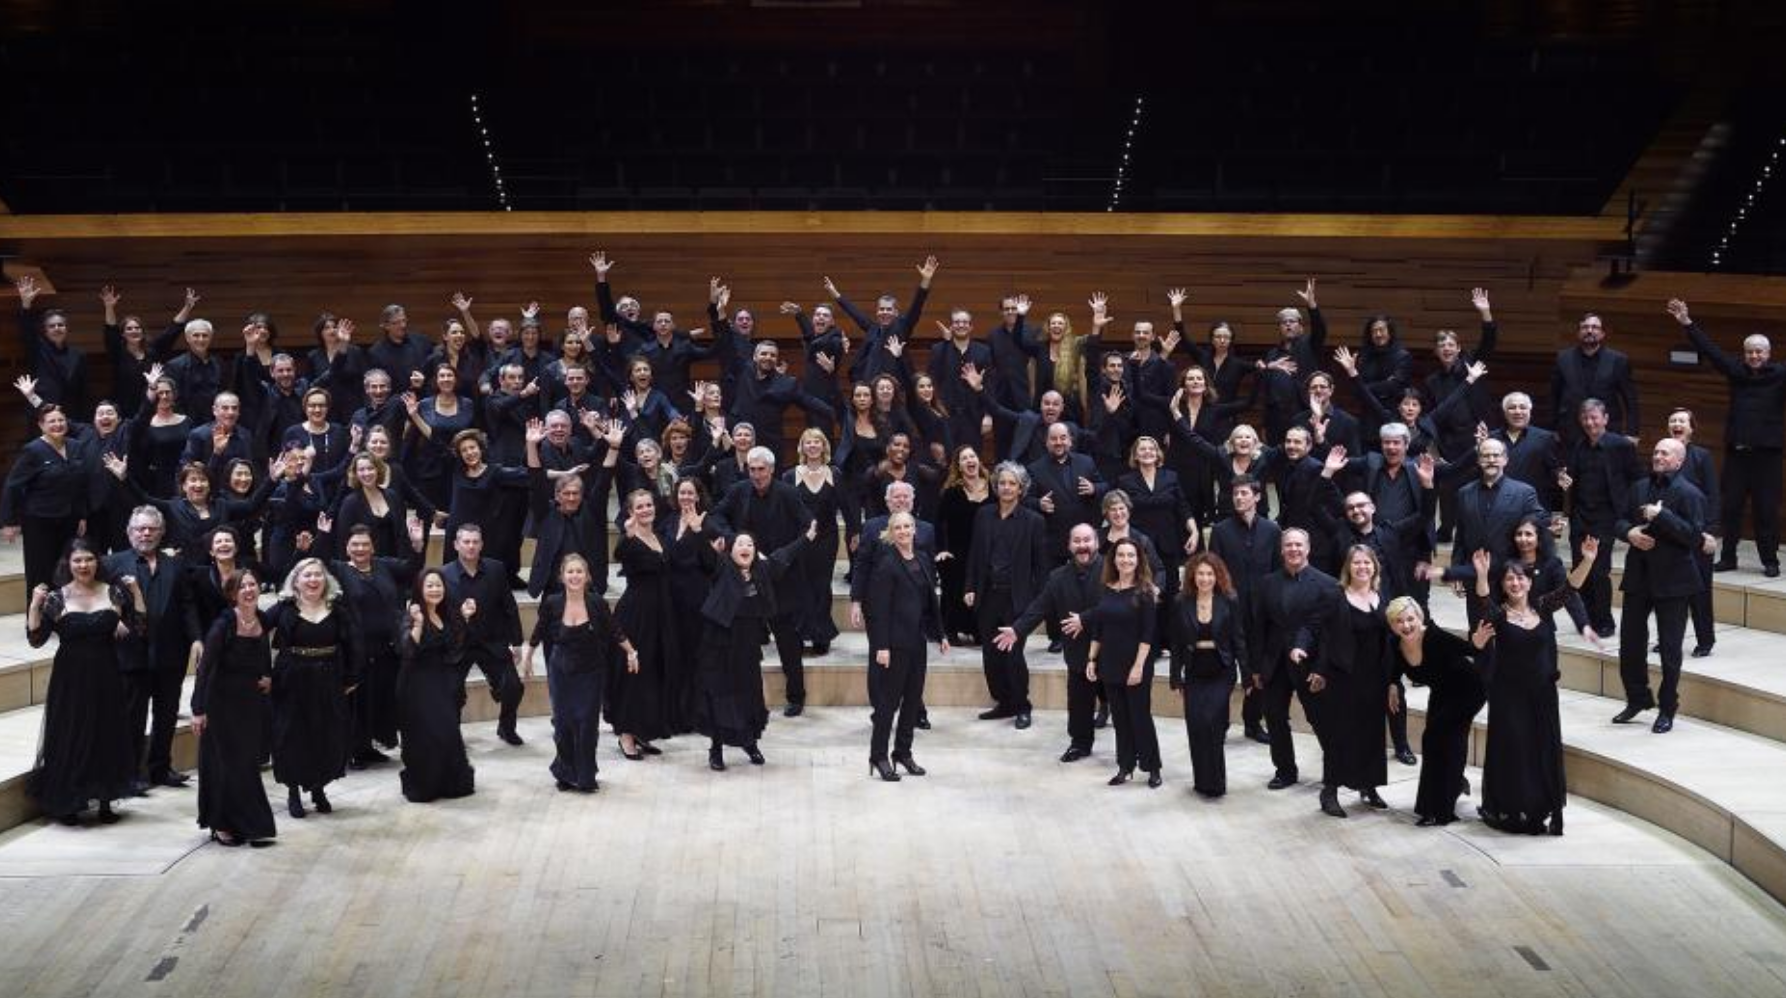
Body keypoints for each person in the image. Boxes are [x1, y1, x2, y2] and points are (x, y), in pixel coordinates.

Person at [1469, 544, 1596, 835]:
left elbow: (1570, 588)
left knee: (1540, 749)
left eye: (1520, 578)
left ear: (1529, 582)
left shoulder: (1542, 606)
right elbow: (1482, 604)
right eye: (1509, 579)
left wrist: (1587, 560)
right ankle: (1512, 808)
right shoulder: (1499, 615)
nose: (1515, 583)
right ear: (1503, 584)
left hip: (1542, 694)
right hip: (1508, 694)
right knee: (1514, 748)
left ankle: (1538, 806)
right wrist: (1481, 575)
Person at [25, 541, 142, 825]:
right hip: (70, 678)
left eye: (89, 559)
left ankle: (105, 801)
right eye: (77, 560)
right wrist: (34, 605)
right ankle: (69, 802)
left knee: (106, 733)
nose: (84, 565)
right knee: (70, 733)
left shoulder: (113, 592)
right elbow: (36, 640)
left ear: (97, 562)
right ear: (69, 563)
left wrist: (137, 592)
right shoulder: (57, 597)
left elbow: (136, 628)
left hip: (107, 674)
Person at [1669, 299, 1786, 577]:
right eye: (1749, 352)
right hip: (1737, 453)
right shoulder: (1736, 371)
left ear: (1768, 353)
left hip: (1767, 456)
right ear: (1744, 354)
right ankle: (1729, 556)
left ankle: (1770, 560)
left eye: (1759, 352)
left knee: (1766, 510)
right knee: (1730, 506)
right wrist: (1687, 323)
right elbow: (1711, 351)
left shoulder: (1781, 375)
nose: (1754, 356)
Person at [312, 513, 427, 769]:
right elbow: (319, 563)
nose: (360, 549)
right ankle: (354, 750)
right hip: (356, 649)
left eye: (365, 544)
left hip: (386, 648)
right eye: (355, 545)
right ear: (347, 547)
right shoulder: (340, 569)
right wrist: (323, 536)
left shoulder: (383, 565)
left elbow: (411, 568)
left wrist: (417, 544)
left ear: (373, 546)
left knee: (379, 698)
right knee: (357, 702)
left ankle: (369, 748)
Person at [709, 446, 817, 716]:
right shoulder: (738, 490)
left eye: (761, 469)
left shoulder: (788, 493)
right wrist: (734, 541)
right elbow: (716, 516)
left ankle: (796, 696)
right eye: (752, 469)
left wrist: (780, 557)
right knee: (741, 641)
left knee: (787, 641)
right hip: (746, 575)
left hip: (779, 576)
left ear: (771, 469)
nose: (756, 475)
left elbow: (808, 527)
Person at [697, 523, 813, 771]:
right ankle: (716, 749)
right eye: (740, 544)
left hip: (747, 643)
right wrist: (698, 531)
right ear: (731, 550)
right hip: (718, 643)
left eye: (749, 544)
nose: (745, 547)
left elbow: (785, 554)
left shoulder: (762, 569)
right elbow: (706, 557)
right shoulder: (722, 566)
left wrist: (808, 536)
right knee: (720, 694)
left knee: (749, 693)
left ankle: (749, 742)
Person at [1612, 438, 1708, 734]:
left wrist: (1661, 516)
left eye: (1664, 452)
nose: (1657, 456)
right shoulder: (1639, 487)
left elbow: (1694, 537)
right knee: (1629, 645)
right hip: (1639, 578)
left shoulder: (1690, 493)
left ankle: (1668, 707)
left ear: (1679, 461)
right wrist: (1629, 533)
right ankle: (1638, 699)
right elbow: (1618, 521)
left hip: (1674, 581)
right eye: (1655, 451)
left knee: (1669, 650)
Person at [104, 506, 201, 791]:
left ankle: (161, 768)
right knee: (133, 716)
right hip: (131, 654)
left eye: (152, 529)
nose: (145, 533)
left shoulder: (176, 565)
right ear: (129, 532)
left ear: (161, 532)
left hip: (171, 653)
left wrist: (196, 637)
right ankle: (131, 772)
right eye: (140, 529)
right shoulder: (111, 563)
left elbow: (187, 605)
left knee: (167, 714)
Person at [524, 554, 636, 794]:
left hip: (591, 670)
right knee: (563, 724)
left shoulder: (596, 603)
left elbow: (614, 630)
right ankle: (565, 771)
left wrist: (631, 651)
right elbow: (539, 631)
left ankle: (585, 776)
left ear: (587, 576)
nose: (574, 576)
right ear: (562, 576)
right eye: (570, 572)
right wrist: (527, 656)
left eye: (579, 572)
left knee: (586, 724)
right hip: (561, 670)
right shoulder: (553, 602)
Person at [1245, 529, 1343, 795]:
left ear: (1308, 548)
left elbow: (1329, 635)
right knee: (1275, 717)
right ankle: (1285, 770)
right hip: (1274, 663)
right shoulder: (1266, 583)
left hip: (1310, 665)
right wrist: (1255, 667)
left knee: (1320, 719)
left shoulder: (1328, 584)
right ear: (1281, 550)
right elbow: (1258, 628)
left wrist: (1323, 669)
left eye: (1298, 545)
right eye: (1288, 545)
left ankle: (1334, 772)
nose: (1293, 550)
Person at [995, 524, 1105, 761]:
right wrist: (1017, 629)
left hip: (1112, 648)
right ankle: (1079, 743)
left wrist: (1085, 619)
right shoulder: (1057, 577)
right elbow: (1039, 607)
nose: (1083, 546)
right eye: (1077, 541)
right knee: (1078, 702)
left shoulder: (1113, 569)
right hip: (1078, 650)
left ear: (1096, 542)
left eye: (1087, 540)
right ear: (1069, 545)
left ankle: (1131, 752)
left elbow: (1119, 606)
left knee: (1123, 703)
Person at [1387, 598, 1492, 827]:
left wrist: (1477, 643)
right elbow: (1394, 667)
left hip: (1468, 690)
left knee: (1435, 737)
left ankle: (1441, 812)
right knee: (1442, 742)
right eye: (1399, 621)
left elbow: (1470, 649)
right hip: (1442, 691)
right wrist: (1393, 684)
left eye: (1410, 619)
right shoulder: (1396, 644)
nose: (1406, 625)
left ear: (1419, 618)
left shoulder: (1434, 636)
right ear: (1392, 625)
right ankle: (1449, 789)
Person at [192, 566, 276, 846]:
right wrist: (198, 710)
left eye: (253, 585)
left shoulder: (262, 619)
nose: (249, 590)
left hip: (249, 702)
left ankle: (252, 824)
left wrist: (267, 675)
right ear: (232, 594)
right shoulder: (224, 623)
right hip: (220, 703)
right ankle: (221, 823)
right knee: (224, 765)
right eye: (242, 587)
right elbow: (205, 669)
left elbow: (264, 654)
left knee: (246, 764)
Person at [269, 558, 359, 819]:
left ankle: (318, 788)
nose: (312, 580)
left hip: (329, 679)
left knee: (325, 733)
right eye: (306, 575)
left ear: (325, 579)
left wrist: (351, 676)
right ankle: (294, 791)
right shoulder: (284, 608)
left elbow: (353, 641)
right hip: (291, 681)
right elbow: (255, 628)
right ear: (295, 580)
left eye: (317, 575)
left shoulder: (337, 607)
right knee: (292, 735)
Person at [965, 462, 1050, 729]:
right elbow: (975, 555)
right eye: (1002, 482)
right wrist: (970, 586)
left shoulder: (1034, 521)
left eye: (1012, 483)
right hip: (988, 596)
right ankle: (1003, 703)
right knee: (990, 655)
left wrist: (1035, 602)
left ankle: (1022, 706)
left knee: (1013, 655)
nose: (1006, 487)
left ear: (1021, 488)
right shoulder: (983, 515)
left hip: (1017, 600)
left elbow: (1041, 567)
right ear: (996, 486)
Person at [864, 512, 947, 781]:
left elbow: (929, 602)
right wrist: (881, 646)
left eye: (907, 526)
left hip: (917, 641)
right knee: (888, 704)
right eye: (897, 527)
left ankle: (903, 752)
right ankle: (878, 755)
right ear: (891, 532)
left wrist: (941, 634)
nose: (903, 531)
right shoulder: (886, 564)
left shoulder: (922, 558)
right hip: (894, 643)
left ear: (914, 529)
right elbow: (878, 610)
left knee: (912, 700)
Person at [1314, 545, 1395, 817]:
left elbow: (1391, 638)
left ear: (1375, 567)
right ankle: (1330, 791)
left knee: (1372, 734)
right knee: (1340, 735)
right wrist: (1320, 671)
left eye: (1367, 563)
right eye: (1357, 563)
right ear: (1348, 567)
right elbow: (1324, 637)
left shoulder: (1382, 596)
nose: (1362, 567)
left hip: (1375, 676)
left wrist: (1393, 679)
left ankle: (1369, 786)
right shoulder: (1336, 596)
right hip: (1344, 676)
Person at [1080, 537, 1162, 788]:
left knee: (1140, 717)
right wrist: (1092, 659)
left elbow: (1148, 635)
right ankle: (1125, 766)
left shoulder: (1146, 591)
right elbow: (1099, 629)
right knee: (1120, 718)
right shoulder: (1106, 588)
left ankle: (1152, 767)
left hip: (1136, 663)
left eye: (1131, 556)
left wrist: (1138, 667)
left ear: (1138, 560)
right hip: (1110, 662)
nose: (1125, 560)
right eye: (1121, 555)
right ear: (1113, 559)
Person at [1207, 475, 1281, 744]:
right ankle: (1220, 724)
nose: (1239, 498)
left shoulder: (1272, 530)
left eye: (1244, 493)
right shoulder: (1221, 530)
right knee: (1225, 671)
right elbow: (1213, 572)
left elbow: (1276, 572)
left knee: (1258, 670)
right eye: (1235, 494)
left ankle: (1252, 722)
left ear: (1257, 497)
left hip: (1261, 614)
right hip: (1230, 612)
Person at [1560, 399, 1641, 637]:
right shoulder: (1577, 445)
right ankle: (1585, 619)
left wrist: (1632, 512)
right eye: (1585, 418)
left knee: (1598, 571)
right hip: (1581, 515)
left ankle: (1604, 621)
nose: (1589, 422)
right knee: (1579, 569)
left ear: (1605, 418)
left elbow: (1636, 477)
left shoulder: (1621, 445)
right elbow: (1571, 478)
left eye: (1594, 417)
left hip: (1607, 516)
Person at [439, 524, 526, 745]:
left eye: (475, 542)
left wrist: (517, 642)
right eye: (466, 542)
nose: (470, 546)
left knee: (513, 687)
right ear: (456, 545)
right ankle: (452, 733)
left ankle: (506, 728)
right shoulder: (443, 574)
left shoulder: (496, 569)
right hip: (459, 645)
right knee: (451, 691)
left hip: (492, 641)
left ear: (481, 545)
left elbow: (509, 606)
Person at [396, 569, 477, 803]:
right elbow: (407, 651)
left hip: (442, 681)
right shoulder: (411, 615)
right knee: (423, 735)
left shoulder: (447, 614)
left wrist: (465, 618)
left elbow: (456, 648)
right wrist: (419, 624)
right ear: (420, 589)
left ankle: (447, 782)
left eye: (438, 585)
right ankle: (424, 784)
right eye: (429, 586)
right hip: (416, 683)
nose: (435, 590)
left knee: (447, 731)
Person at [1168, 553, 1245, 798]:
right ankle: (1202, 781)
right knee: (1196, 725)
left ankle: (1217, 782)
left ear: (1217, 576)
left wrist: (1248, 673)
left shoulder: (1230, 600)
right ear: (1193, 575)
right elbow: (1177, 642)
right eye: (1200, 573)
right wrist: (1175, 676)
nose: (1204, 578)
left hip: (1221, 669)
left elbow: (1239, 639)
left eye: (1210, 574)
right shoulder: (1182, 601)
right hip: (1194, 670)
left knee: (1212, 722)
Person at [610, 490, 678, 760]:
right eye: (639, 506)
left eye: (649, 505)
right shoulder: (630, 539)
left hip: (661, 612)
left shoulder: (659, 536)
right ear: (630, 511)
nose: (646, 509)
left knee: (652, 672)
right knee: (633, 673)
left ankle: (641, 729)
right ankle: (625, 734)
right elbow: (620, 553)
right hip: (637, 613)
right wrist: (627, 533)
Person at [785, 428, 857, 656]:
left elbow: (847, 506)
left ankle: (820, 634)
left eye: (817, 442)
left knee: (821, 585)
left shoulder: (834, 473)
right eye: (808, 442)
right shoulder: (789, 475)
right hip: (799, 539)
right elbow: (784, 509)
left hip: (827, 538)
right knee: (799, 584)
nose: (813, 446)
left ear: (824, 446)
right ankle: (799, 632)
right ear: (802, 447)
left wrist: (854, 531)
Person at [3, 404, 89, 591]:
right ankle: (37, 618)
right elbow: (13, 486)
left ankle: (65, 617)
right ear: (41, 426)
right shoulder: (32, 450)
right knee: (40, 572)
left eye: (61, 420)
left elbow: (80, 484)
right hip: (39, 522)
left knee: (66, 570)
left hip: (69, 519)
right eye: (52, 421)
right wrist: (8, 522)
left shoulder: (76, 446)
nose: (57, 424)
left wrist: (82, 515)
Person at [1665, 408, 1721, 658]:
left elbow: (1713, 495)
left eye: (1682, 421)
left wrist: (1710, 532)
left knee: (1699, 591)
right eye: (1673, 421)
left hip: (1697, 535)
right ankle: (1669, 638)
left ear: (1691, 428)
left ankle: (1705, 640)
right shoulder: (1663, 454)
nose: (1677, 424)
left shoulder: (1701, 456)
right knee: (1668, 591)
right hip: (1670, 535)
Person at [1551, 311, 1639, 444]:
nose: (1589, 331)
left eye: (1595, 327)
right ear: (1578, 333)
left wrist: (1632, 433)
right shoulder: (1563, 358)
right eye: (1585, 327)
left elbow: (1630, 400)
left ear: (1603, 334)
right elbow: (1554, 397)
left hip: (1608, 429)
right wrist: (1552, 429)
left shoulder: (1618, 360)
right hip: (1570, 430)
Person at [936, 445, 991, 645]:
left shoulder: (993, 487)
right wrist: (942, 549)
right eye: (964, 458)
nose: (970, 460)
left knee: (982, 589)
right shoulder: (951, 492)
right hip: (958, 550)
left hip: (986, 550)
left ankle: (977, 630)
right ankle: (950, 630)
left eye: (972, 456)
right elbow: (940, 523)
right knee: (954, 588)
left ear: (978, 460)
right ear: (958, 466)